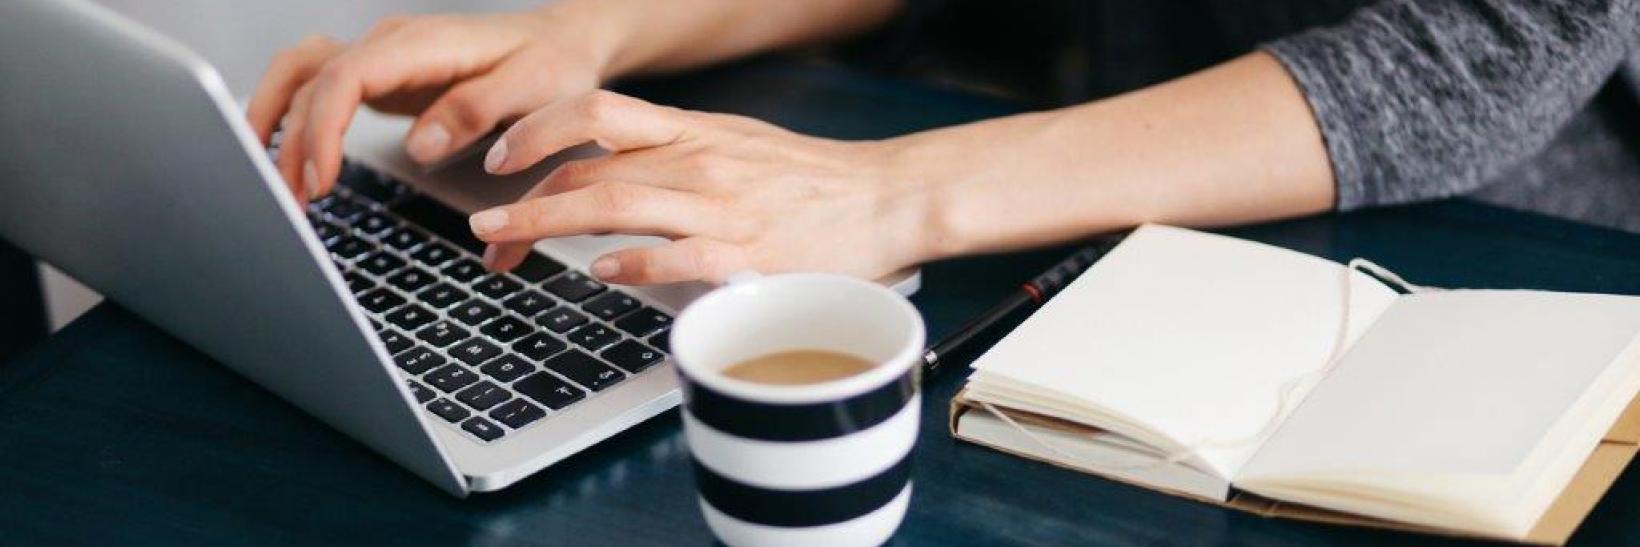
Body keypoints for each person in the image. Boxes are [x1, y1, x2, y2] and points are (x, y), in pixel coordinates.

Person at [247, 0, 1639, 287]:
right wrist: (590, 33)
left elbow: (1491, 42)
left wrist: (890, 193)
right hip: (1047, 185)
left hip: (1481, 255)